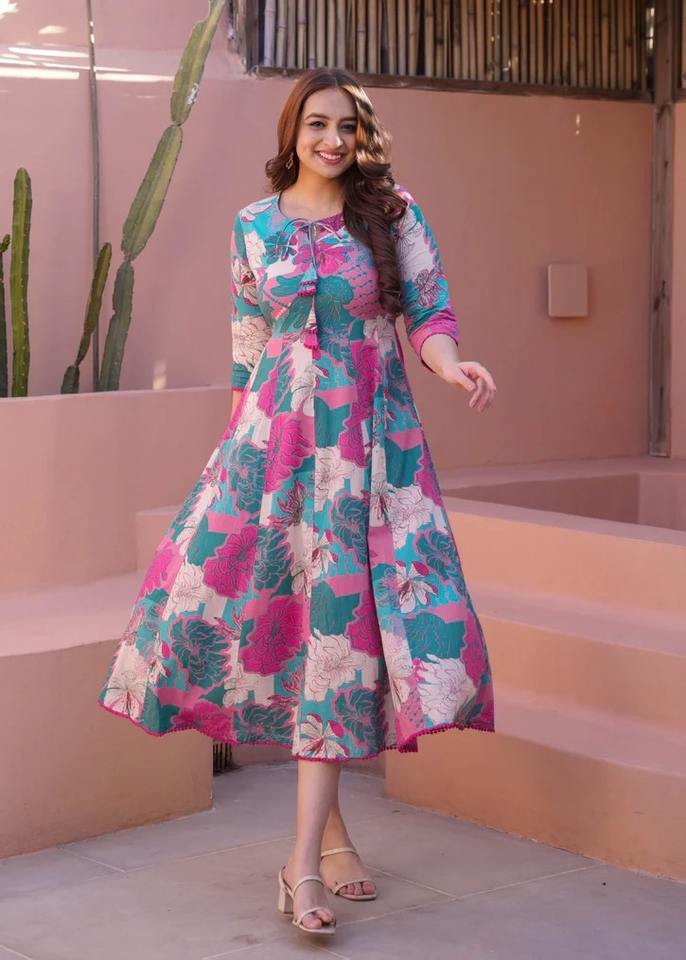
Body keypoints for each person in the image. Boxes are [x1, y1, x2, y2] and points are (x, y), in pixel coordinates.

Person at [97, 65, 497, 937]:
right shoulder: (253, 224)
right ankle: (321, 853)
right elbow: (249, 347)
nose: (332, 139)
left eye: (347, 126)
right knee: (288, 626)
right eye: (318, 123)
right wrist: (237, 465)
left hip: (370, 450)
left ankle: (304, 861)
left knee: (347, 638)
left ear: (362, 137)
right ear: (293, 131)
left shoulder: (393, 214)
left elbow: (428, 312)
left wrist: (449, 365)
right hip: (273, 449)